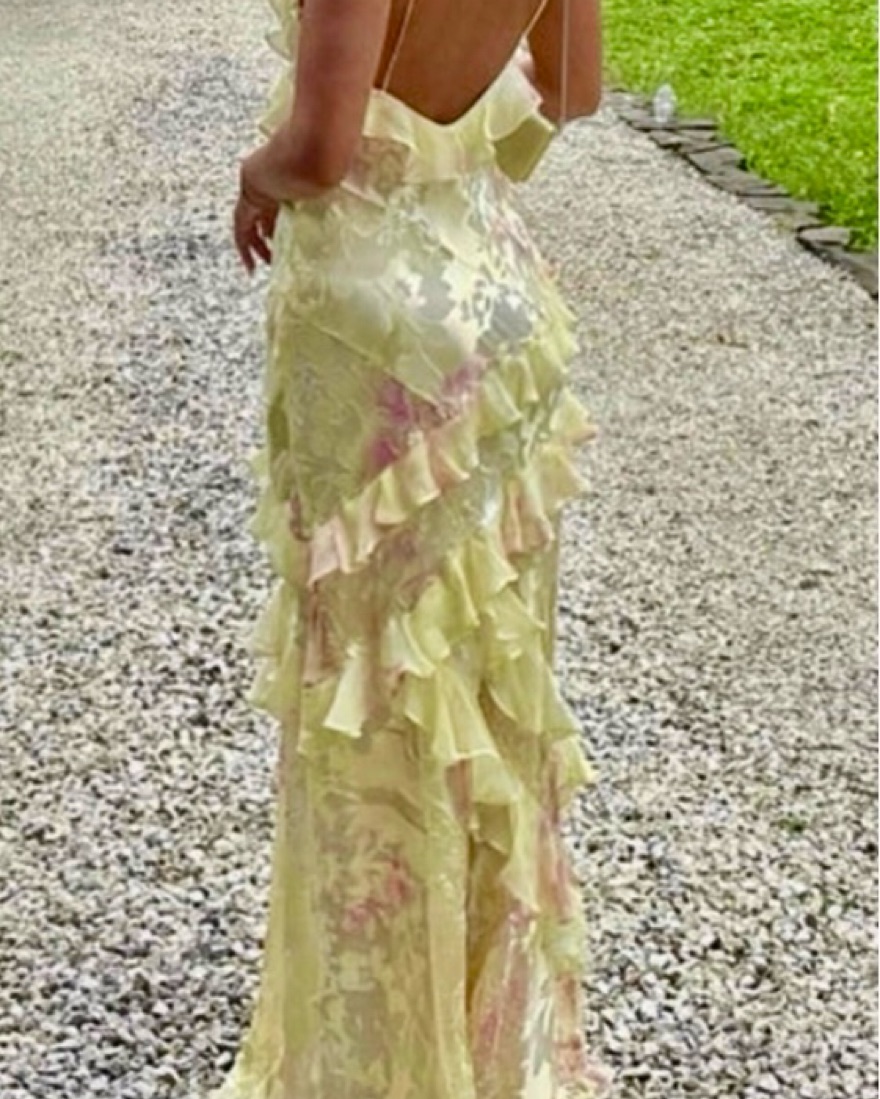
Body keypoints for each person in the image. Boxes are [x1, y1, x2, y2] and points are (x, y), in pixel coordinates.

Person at [215, 0, 613, 1095]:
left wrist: (254, 173)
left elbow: (317, 148)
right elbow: (573, 91)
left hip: (375, 322)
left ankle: (374, 1053)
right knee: (481, 677)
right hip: (500, 312)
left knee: (369, 686)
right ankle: (488, 1041)